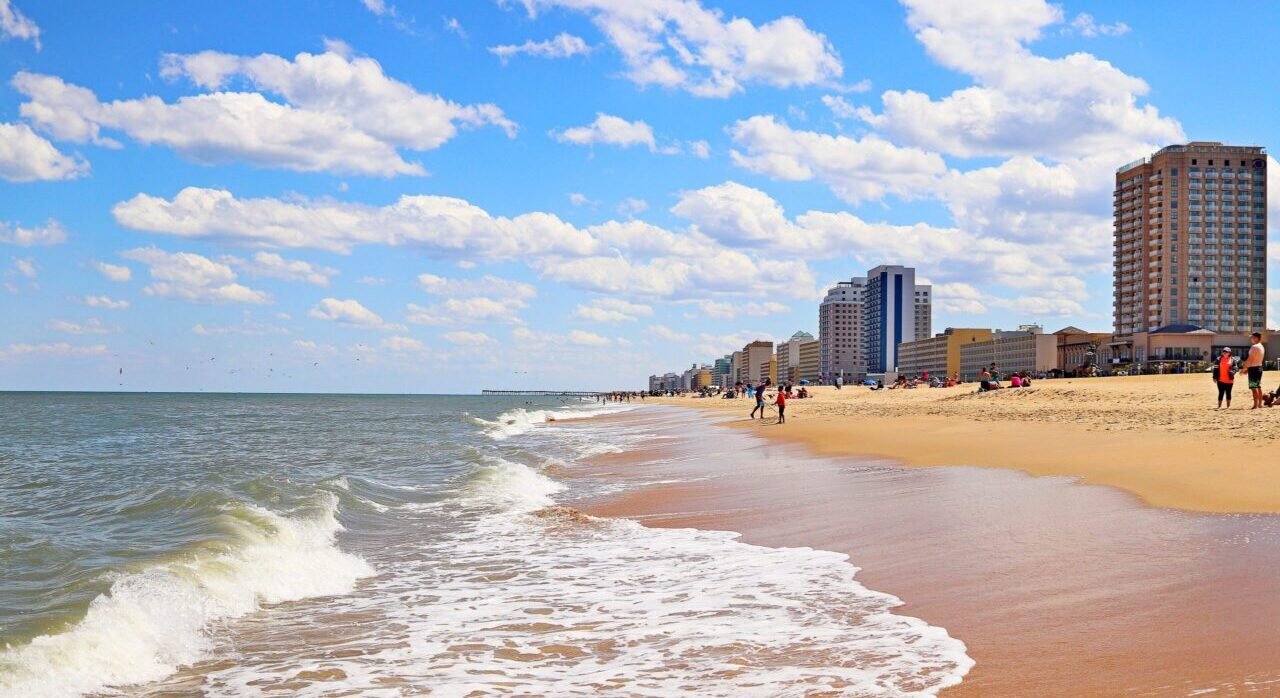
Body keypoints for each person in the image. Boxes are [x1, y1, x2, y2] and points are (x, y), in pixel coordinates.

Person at [1243, 332, 1265, 409]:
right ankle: (1260, 404)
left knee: (1253, 387)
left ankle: (1255, 405)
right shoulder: (1261, 346)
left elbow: (1250, 359)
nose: (1251, 339)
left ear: (1256, 338)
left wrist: (1245, 368)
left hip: (1253, 369)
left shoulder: (1254, 347)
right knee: (1258, 386)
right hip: (1259, 367)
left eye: (1252, 337)